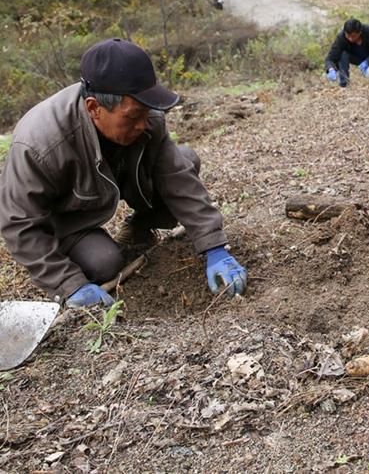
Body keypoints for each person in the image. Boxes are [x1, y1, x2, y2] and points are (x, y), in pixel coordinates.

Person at [0, 38, 248, 308]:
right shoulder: (40, 143)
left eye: (147, 111)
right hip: (68, 216)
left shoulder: (145, 118)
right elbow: (19, 223)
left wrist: (213, 246)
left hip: (114, 182)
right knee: (104, 263)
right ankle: (79, 249)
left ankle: (139, 226)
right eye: (132, 117)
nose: (143, 123)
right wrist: (68, 285)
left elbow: (178, 178)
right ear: (94, 108)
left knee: (186, 159)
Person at [324, 18, 369, 87]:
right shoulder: (341, 38)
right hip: (358, 59)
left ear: (360, 32)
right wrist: (330, 69)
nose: (350, 39)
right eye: (348, 36)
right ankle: (344, 82)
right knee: (342, 54)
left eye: (353, 36)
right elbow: (330, 58)